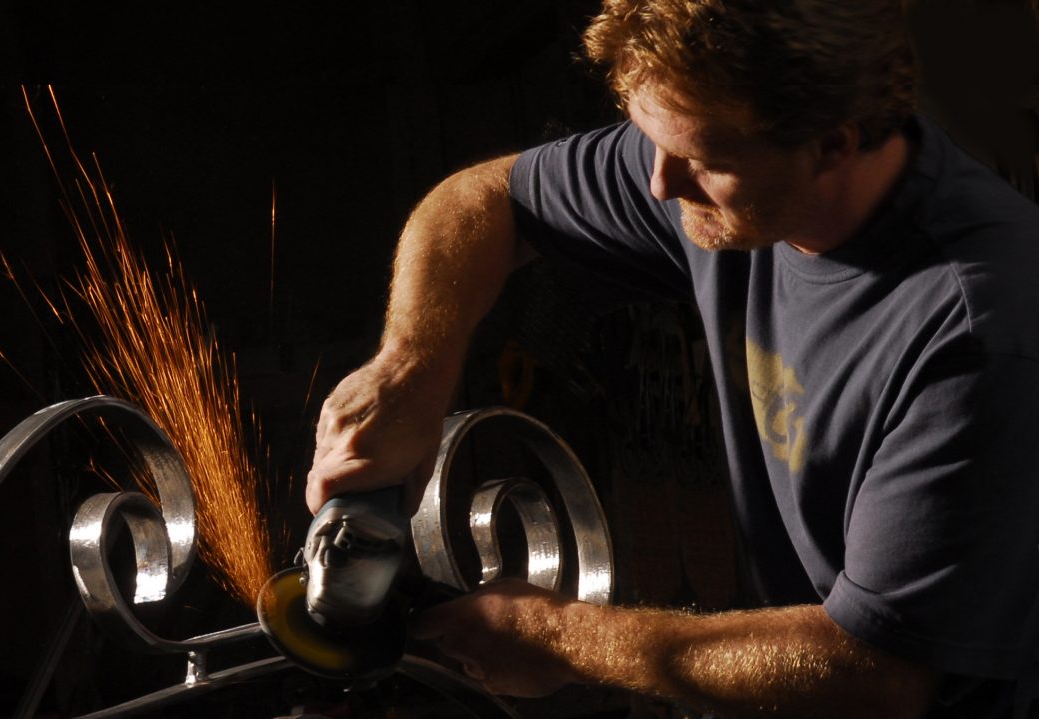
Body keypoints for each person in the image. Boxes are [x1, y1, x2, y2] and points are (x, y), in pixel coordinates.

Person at [305, 0, 1039, 716]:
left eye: (701, 158)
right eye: (648, 138)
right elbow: (484, 196)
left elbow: (877, 674)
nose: (659, 183)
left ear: (833, 143)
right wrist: (412, 366)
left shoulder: (980, 330)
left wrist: (560, 639)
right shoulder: (716, 165)